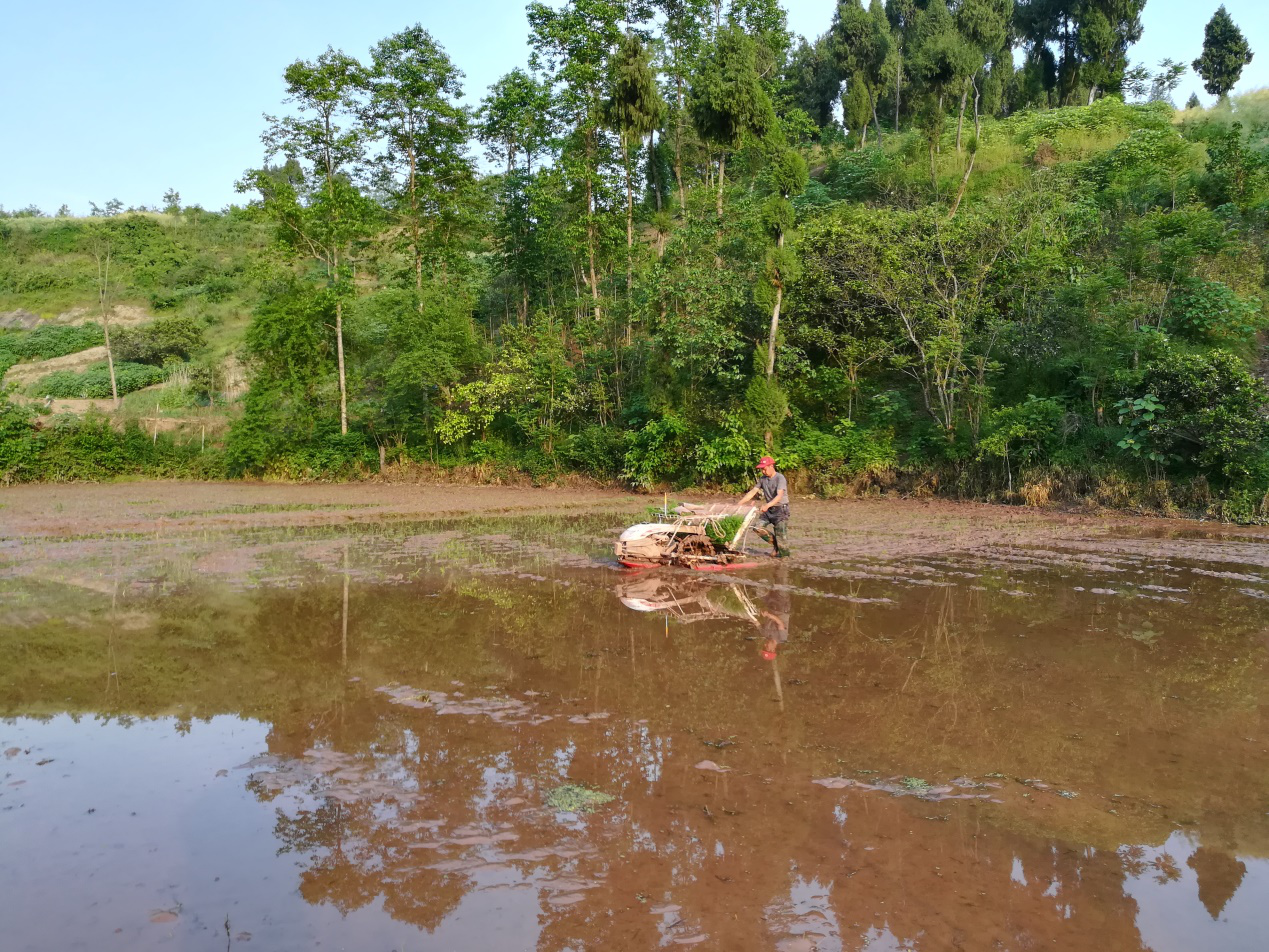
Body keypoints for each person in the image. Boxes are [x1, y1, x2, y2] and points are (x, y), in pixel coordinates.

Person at [740, 455, 790, 558]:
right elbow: (753, 491)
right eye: (762, 469)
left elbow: (779, 495)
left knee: (781, 538)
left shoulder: (780, 478)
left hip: (781, 509)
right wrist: (739, 504)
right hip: (769, 510)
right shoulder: (763, 479)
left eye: (764, 469)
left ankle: (785, 559)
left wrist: (767, 505)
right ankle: (776, 545)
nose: (763, 471)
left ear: (771, 466)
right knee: (757, 527)